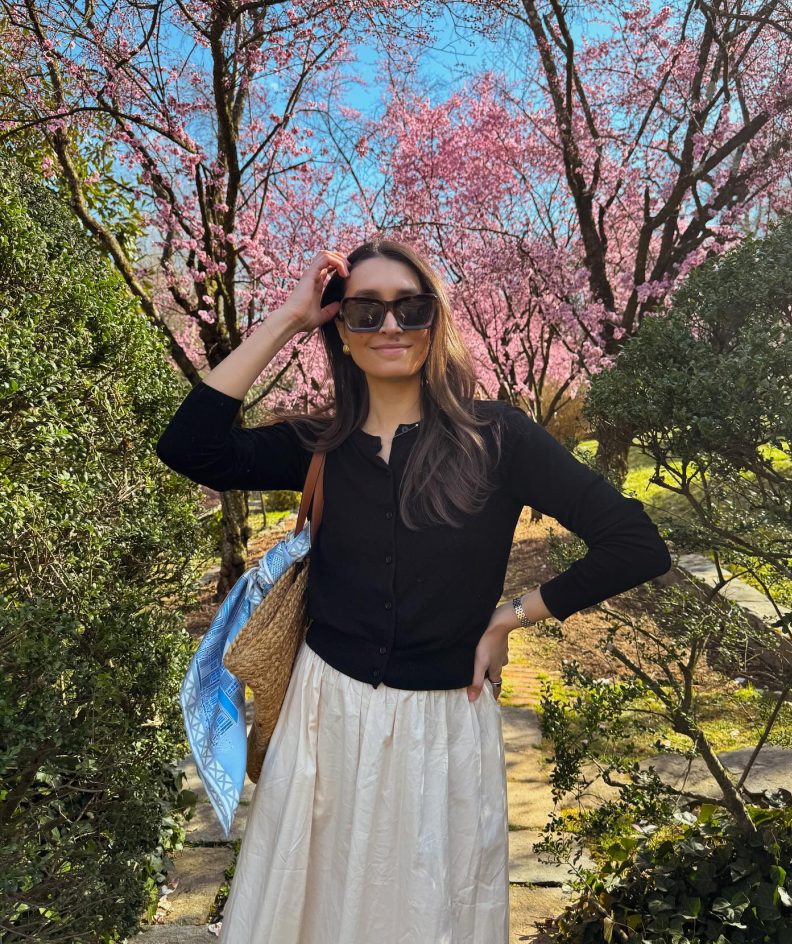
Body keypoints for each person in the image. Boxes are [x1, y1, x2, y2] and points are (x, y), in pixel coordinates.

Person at [155, 238, 672, 944]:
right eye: (364, 311)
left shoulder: (498, 437)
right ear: (340, 328)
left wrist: (508, 620)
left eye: (410, 307)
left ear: (437, 318)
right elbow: (188, 447)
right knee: (312, 905)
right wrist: (287, 319)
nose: (389, 327)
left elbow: (635, 544)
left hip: (442, 728)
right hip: (325, 714)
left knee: (426, 911)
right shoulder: (319, 442)